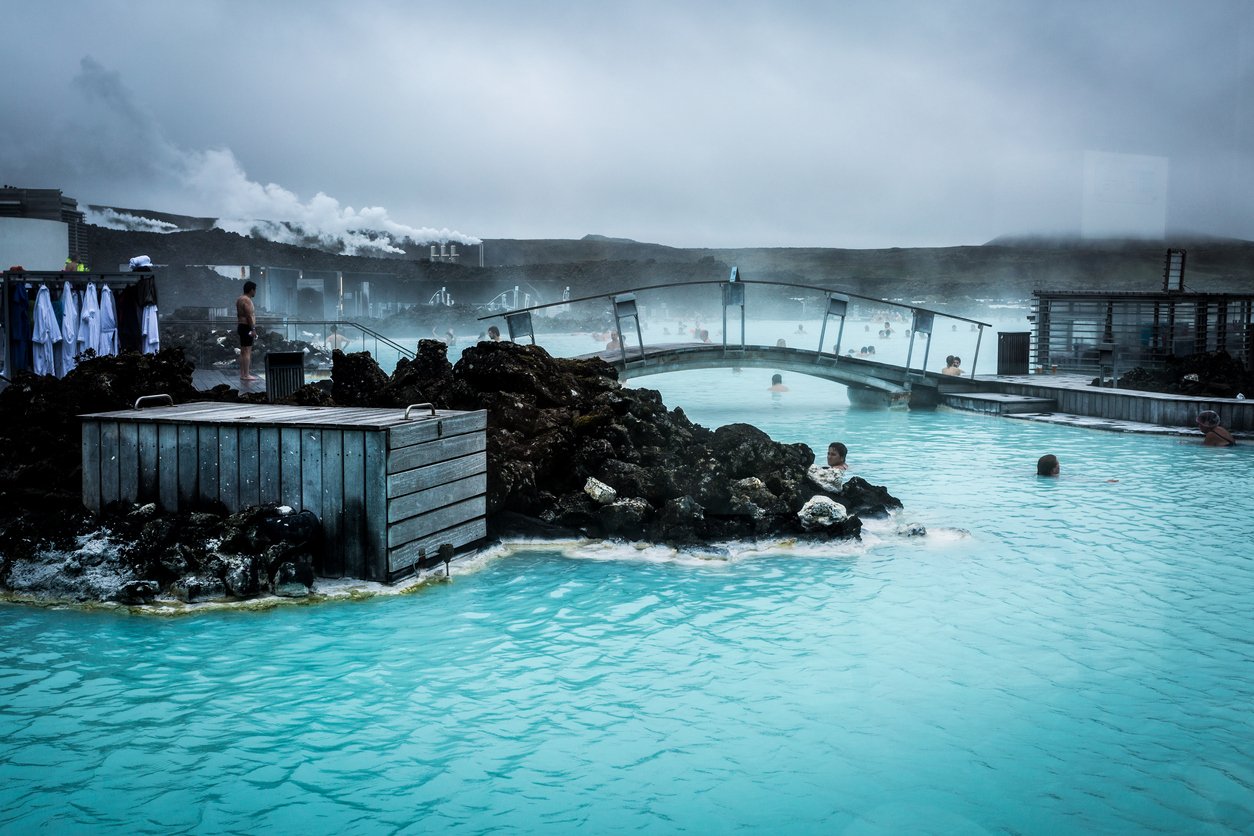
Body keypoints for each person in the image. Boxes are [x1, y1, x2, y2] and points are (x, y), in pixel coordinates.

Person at [236, 280, 258, 381]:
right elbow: (249, 315)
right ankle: (246, 375)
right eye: (254, 290)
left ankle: (242, 374)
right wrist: (253, 329)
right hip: (246, 327)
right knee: (247, 351)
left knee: (243, 351)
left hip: (242, 326)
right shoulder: (247, 300)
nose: (255, 292)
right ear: (251, 290)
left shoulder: (239, 299)